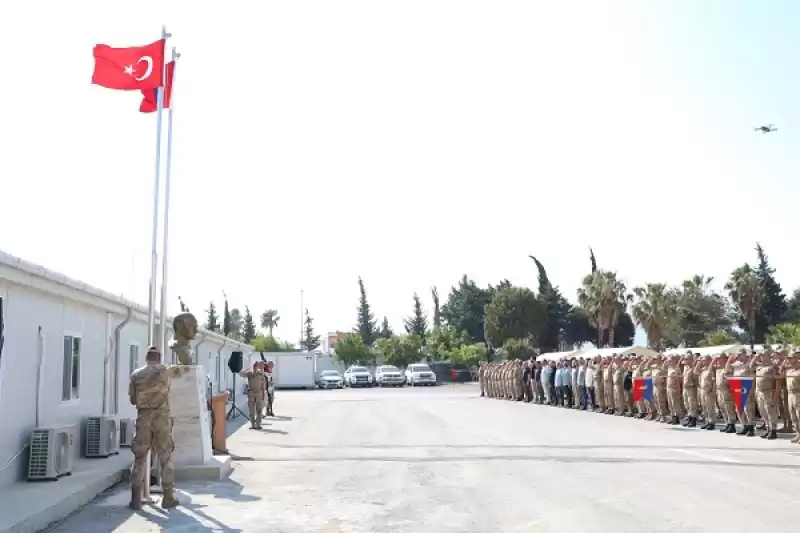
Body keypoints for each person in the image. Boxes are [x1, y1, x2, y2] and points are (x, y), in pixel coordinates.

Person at [128, 346, 191, 510]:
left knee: (140, 458)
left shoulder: (136, 374)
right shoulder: (165, 371)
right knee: (165, 457)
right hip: (161, 418)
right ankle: (168, 497)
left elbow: (133, 400)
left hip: (143, 418)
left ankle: (135, 498)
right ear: (159, 357)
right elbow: (181, 369)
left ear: (146, 358)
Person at [240, 362, 266, 429]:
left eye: (256, 366)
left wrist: (263, 394)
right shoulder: (250, 374)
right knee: (251, 410)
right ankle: (253, 424)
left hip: (259, 393)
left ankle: (258, 424)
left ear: (258, 367)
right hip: (251, 393)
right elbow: (241, 374)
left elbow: (263, 385)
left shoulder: (260, 374)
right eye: (254, 366)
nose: (255, 368)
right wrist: (248, 368)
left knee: (259, 410)